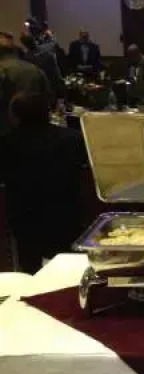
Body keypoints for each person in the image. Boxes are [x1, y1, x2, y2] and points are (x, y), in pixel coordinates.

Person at [0, 92, 87, 273]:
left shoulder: (6, 144)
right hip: (66, 212)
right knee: (69, 268)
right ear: (47, 111)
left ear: (14, 116)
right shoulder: (72, 138)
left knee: (29, 268)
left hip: (25, 217)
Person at [0, 31, 51, 136]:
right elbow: (48, 97)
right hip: (37, 131)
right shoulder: (34, 69)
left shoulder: (2, 70)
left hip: (6, 133)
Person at [20, 33, 65, 100]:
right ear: (34, 40)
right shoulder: (47, 49)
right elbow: (56, 71)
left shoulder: (26, 59)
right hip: (52, 83)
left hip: (41, 88)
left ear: (24, 45)